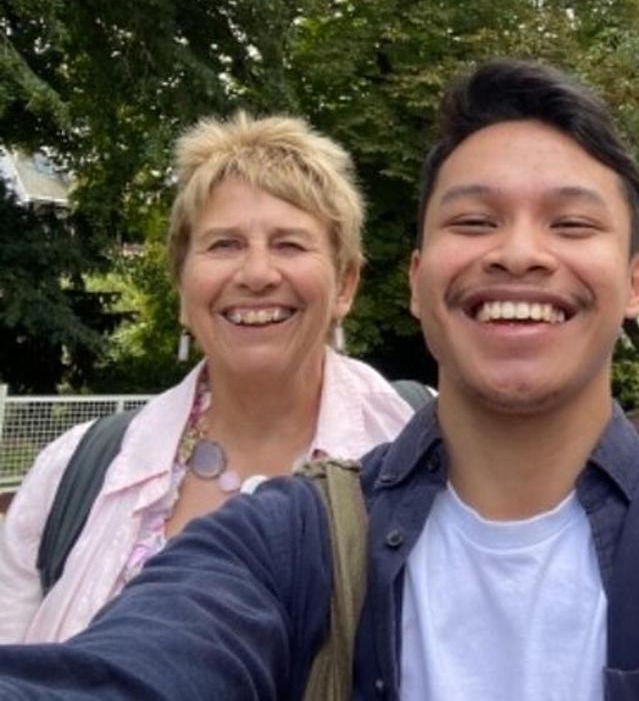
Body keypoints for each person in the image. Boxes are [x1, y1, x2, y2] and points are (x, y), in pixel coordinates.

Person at [0, 61, 639, 699]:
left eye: (571, 223)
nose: (519, 252)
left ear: (637, 283)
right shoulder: (284, 542)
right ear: (418, 279)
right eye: (476, 219)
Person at [0, 113, 415, 644]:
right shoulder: (70, 478)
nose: (257, 273)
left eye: (289, 244)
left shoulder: (424, 454)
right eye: (224, 244)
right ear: (182, 285)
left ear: (345, 285)